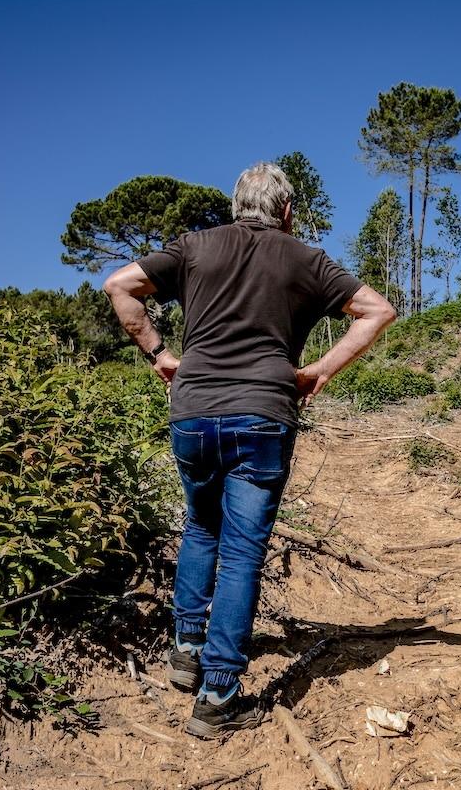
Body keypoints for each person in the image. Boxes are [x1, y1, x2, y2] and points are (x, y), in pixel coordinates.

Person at [102, 162, 396, 737]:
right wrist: (316, 373)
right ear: (287, 210)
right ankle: (218, 697)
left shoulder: (194, 247)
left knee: (200, 528)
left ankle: (186, 654)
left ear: (237, 206)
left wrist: (160, 354)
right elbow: (377, 311)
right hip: (263, 414)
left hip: (192, 413)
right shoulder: (305, 258)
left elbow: (120, 286)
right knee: (241, 552)